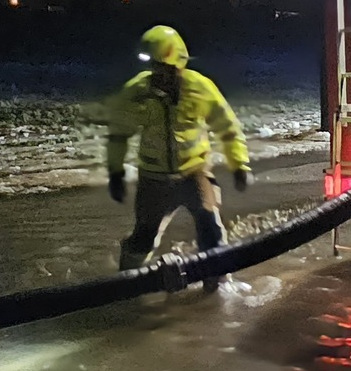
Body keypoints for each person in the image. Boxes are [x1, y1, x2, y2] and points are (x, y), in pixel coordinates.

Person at [105, 26, 250, 272]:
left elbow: (227, 127)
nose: (157, 73)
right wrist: (116, 173)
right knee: (144, 236)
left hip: (195, 173)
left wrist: (239, 164)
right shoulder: (137, 91)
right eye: (154, 67)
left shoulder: (200, 87)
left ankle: (217, 282)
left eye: (162, 67)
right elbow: (118, 133)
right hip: (153, 180)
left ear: (177, 64)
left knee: (210, 225)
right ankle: (126, 282)